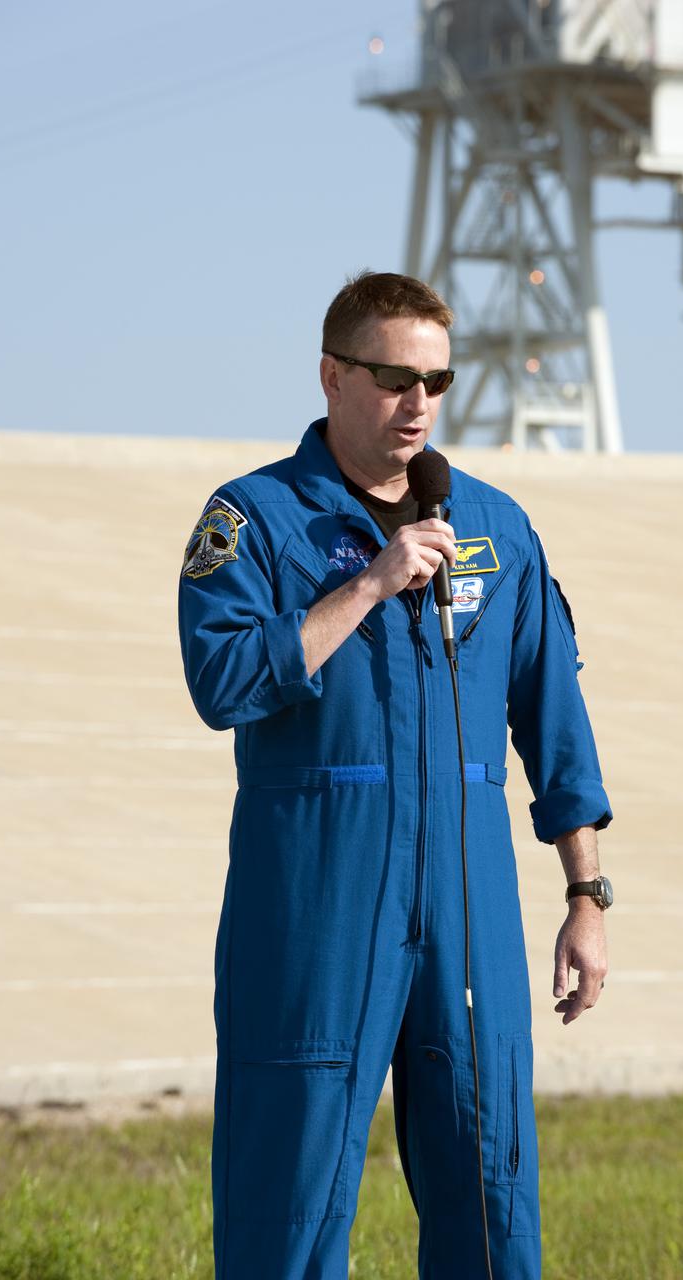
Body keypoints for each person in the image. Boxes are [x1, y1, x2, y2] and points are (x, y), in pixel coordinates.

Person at [178, 271, 613, 1280]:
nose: (416, 402)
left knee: (490, 1192)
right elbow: (223, 680)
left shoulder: (494, 530)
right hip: (315, 906)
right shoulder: (254, 520)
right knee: (286, 1196)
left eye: (436, 380)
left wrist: (585, 894)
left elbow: (552, 718)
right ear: (331, 374)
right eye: (390, 377)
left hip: (465, 907)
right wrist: (370, 582)